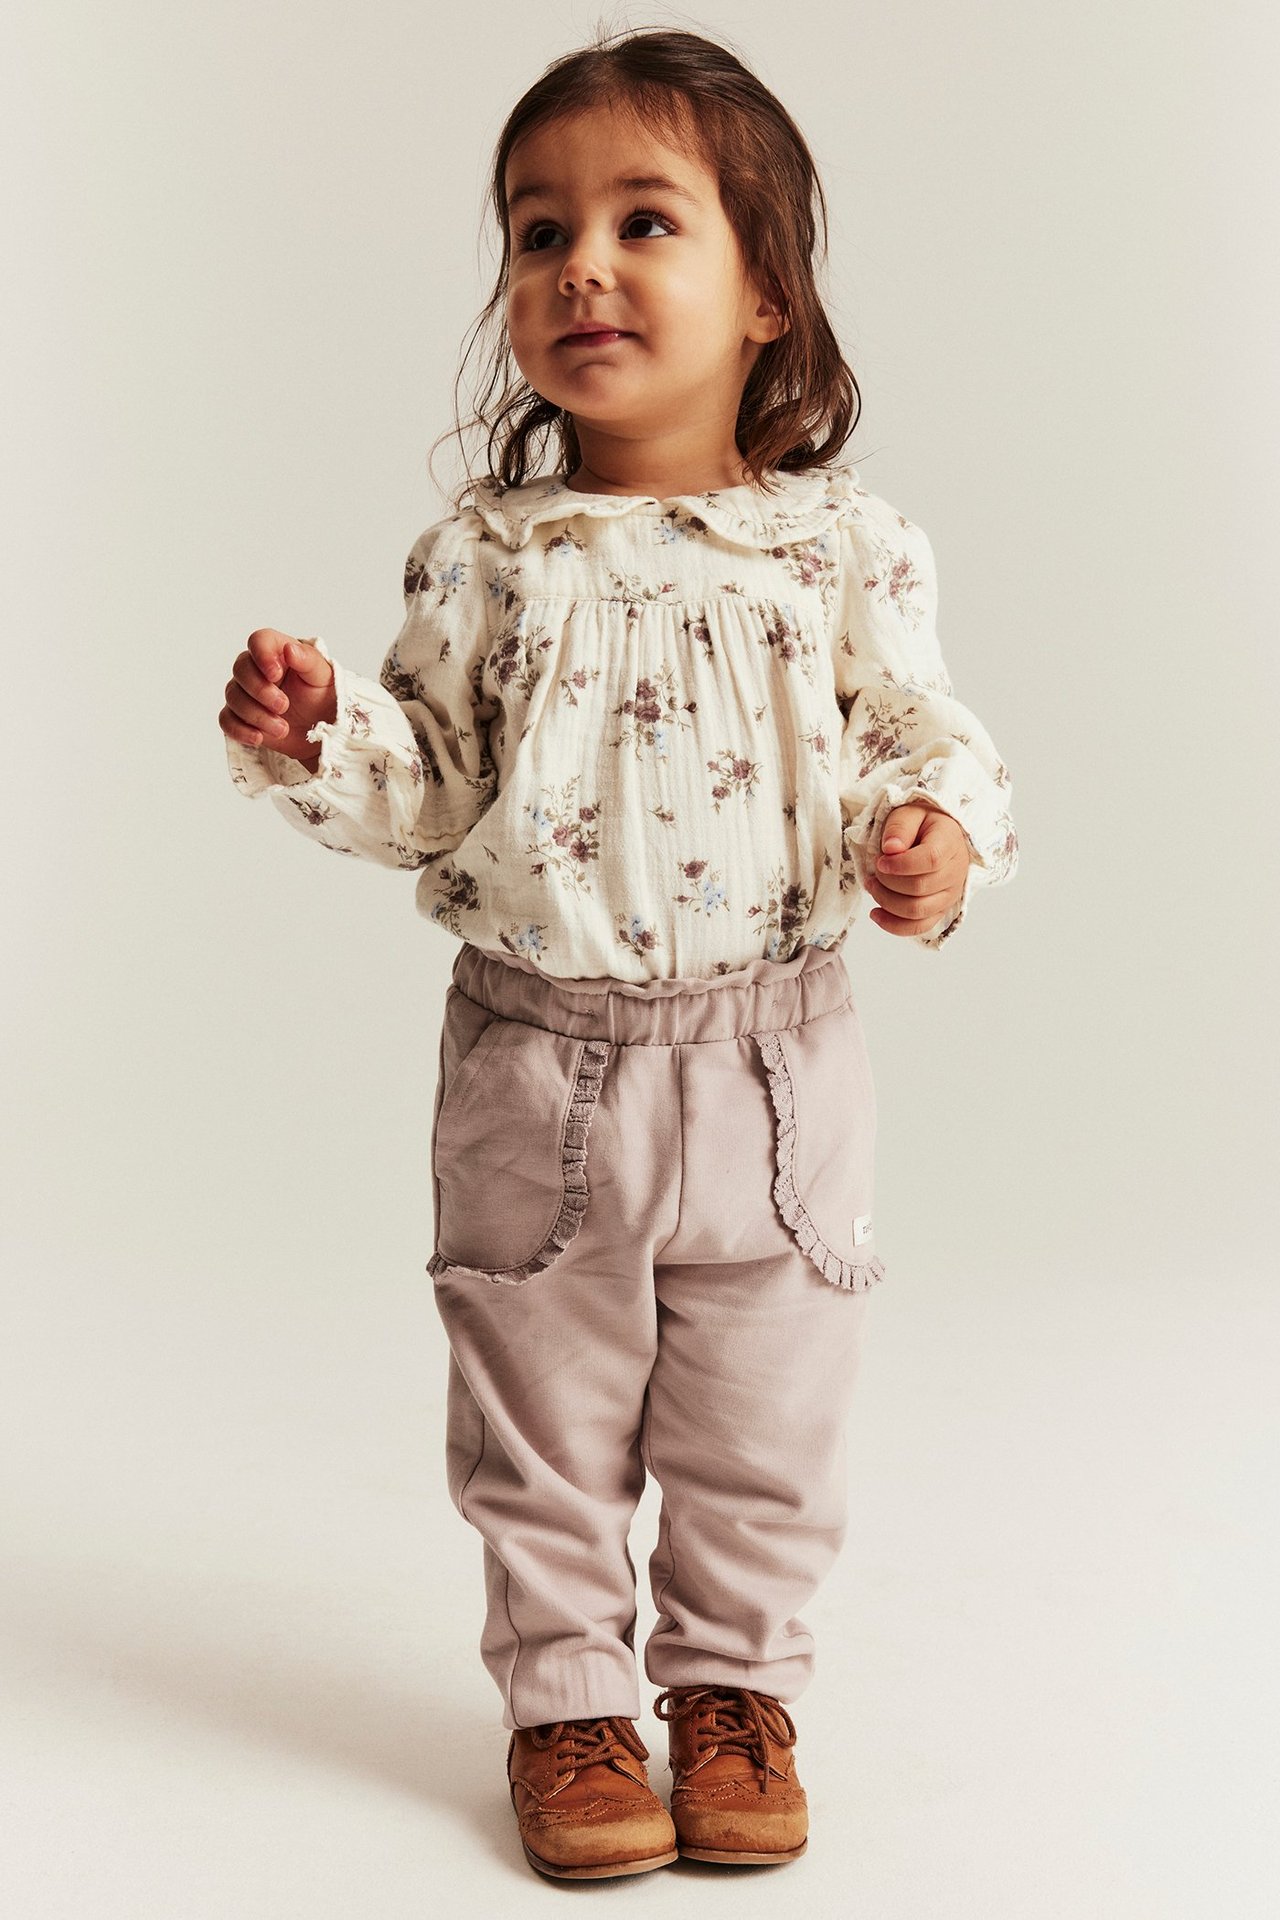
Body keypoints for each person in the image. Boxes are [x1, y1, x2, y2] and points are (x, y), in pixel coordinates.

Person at [218, 24, 1018, 1884]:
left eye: (645, 221)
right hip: (536, 1063)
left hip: (778, 1068)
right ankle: (571, 1698)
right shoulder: (484, 560)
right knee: (541, 1407)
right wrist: (319, 737)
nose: (582, 263)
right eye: (536, 229)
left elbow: (933, 733)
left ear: (767, 297)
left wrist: (940, 844)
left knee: (768, 1413)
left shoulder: (839, 549)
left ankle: (734, 1690)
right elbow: (431, 793)